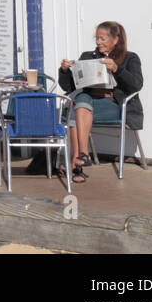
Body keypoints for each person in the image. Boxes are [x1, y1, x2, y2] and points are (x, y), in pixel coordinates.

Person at [58, 21, 143, 183]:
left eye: (103, 39)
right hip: (88, 103)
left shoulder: (130, 58)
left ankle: (77, 164)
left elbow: (136, 85)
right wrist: (64, 71)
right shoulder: (88, 57)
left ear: (115, 40)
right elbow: (69, 86)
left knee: (76, 110)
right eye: (97, 38)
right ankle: (82, 155)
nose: (98, 42)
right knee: (81, 100)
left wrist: (117, 69)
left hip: (113, 104)